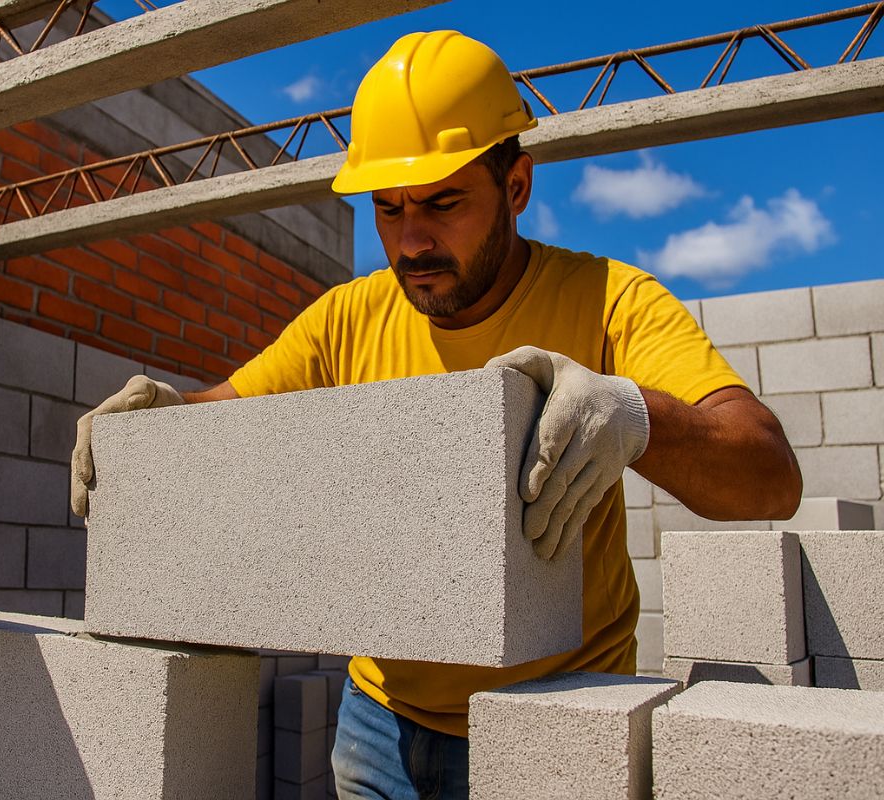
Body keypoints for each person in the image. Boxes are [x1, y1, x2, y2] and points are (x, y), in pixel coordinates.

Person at [71, 30, 802, 800]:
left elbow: (769, 477)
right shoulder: (344, 320)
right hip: (378, 722)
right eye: (388, 209)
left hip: (556, 719)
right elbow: (224, 411)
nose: (411, 240)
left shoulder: (610, 301)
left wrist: (632, 413)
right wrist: (165, 413)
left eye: (444, 202)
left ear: (516, 185)